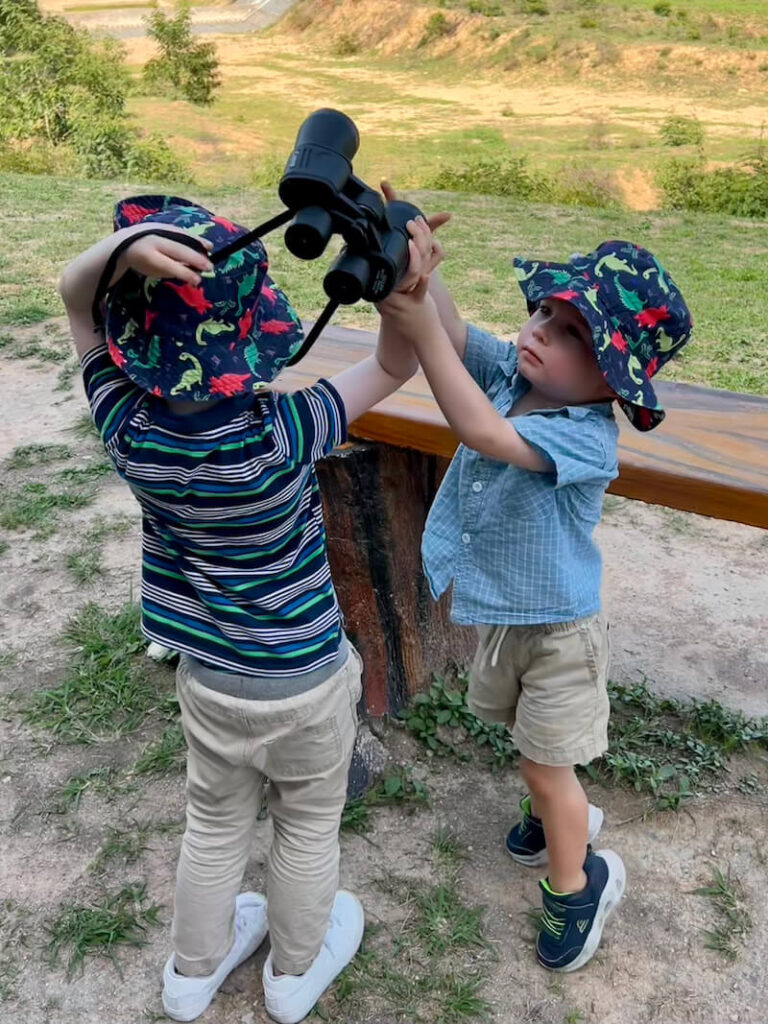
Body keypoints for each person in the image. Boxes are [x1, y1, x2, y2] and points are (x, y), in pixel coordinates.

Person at [58, 194, 437, 1022]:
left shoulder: (129, 431)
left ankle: (191, 977)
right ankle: (294, 974)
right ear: (251, 339)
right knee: (306, 825)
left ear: (137, 347)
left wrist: (125, 246)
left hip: (211, 681)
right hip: (302, 678)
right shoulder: (287, 428)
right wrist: (400, 287)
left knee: (213, 822)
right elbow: (396, 367)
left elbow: (72, 295)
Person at [377, 213, 692, 973]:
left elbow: (485, 434)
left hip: (560, 638)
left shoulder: (586, 436)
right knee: (535, 754)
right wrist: (424, 269)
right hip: (511, 621)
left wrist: (417, 326)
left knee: (549, 765)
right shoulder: (515, 374)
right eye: (545, 311)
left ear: (611, 381)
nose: (541, 330)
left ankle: (579, 884)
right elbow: (452, 334)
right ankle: (558, 814)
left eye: (572, 333)